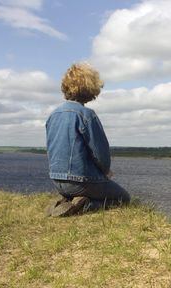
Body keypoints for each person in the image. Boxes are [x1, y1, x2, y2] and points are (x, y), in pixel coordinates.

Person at [45, 62, 130, 217]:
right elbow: (100, 152)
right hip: (82, 182)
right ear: (90, 87)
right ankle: (85, 206)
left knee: (78, 190)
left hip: (57, 181)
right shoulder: (87, 115)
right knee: (124, 198)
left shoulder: (53, 115)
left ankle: (66, 202)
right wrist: (105, 171)